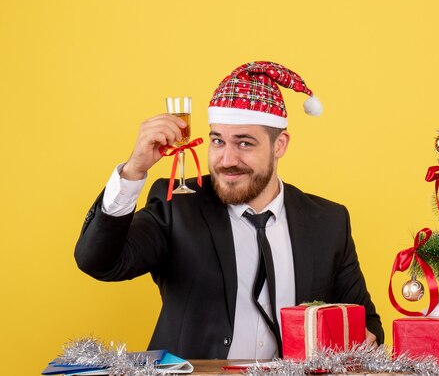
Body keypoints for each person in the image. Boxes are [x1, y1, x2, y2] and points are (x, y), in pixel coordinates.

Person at [75, 61, 383, 360]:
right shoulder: (178, 205)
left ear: (280, 145)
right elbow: (100, 262)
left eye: (245, 143)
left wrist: (363, 341)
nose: (226, 159)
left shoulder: (328, 222)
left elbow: (367, 324)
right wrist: (133, 170)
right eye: (218, 141)